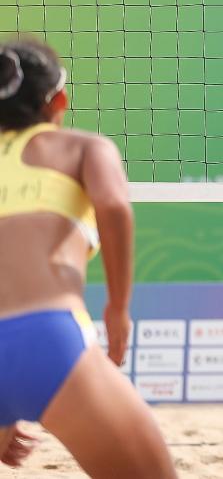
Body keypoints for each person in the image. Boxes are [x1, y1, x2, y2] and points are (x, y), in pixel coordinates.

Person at [0, 39, 176, 478]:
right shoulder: (82, 147)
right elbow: (114, 207)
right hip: (45, 335)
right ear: (58, 100)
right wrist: (118, 307)